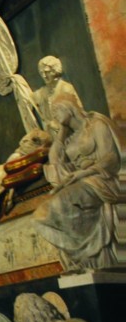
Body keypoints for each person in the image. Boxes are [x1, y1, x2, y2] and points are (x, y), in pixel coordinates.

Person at [33, 97, 122, 271]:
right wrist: (62, 132)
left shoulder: (96, 125)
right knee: (40, 218)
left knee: (56, 207)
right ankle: (82, 254)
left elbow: (111, 158)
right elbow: (54, 160)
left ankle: (88, 252)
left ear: (69, 108)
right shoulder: (69, 138)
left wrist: (83, 172)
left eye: (56, 111)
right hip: (80, 181)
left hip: (100, 179)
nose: (54, 116)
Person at [30, 56, 82, 132]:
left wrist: (58, 125)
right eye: (41, 73)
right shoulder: (41, 93)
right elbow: (30, 99)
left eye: (47, 72)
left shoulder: (65, 88)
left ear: (55, 71)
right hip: (52, 136)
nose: (44, 76)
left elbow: (77, 114)